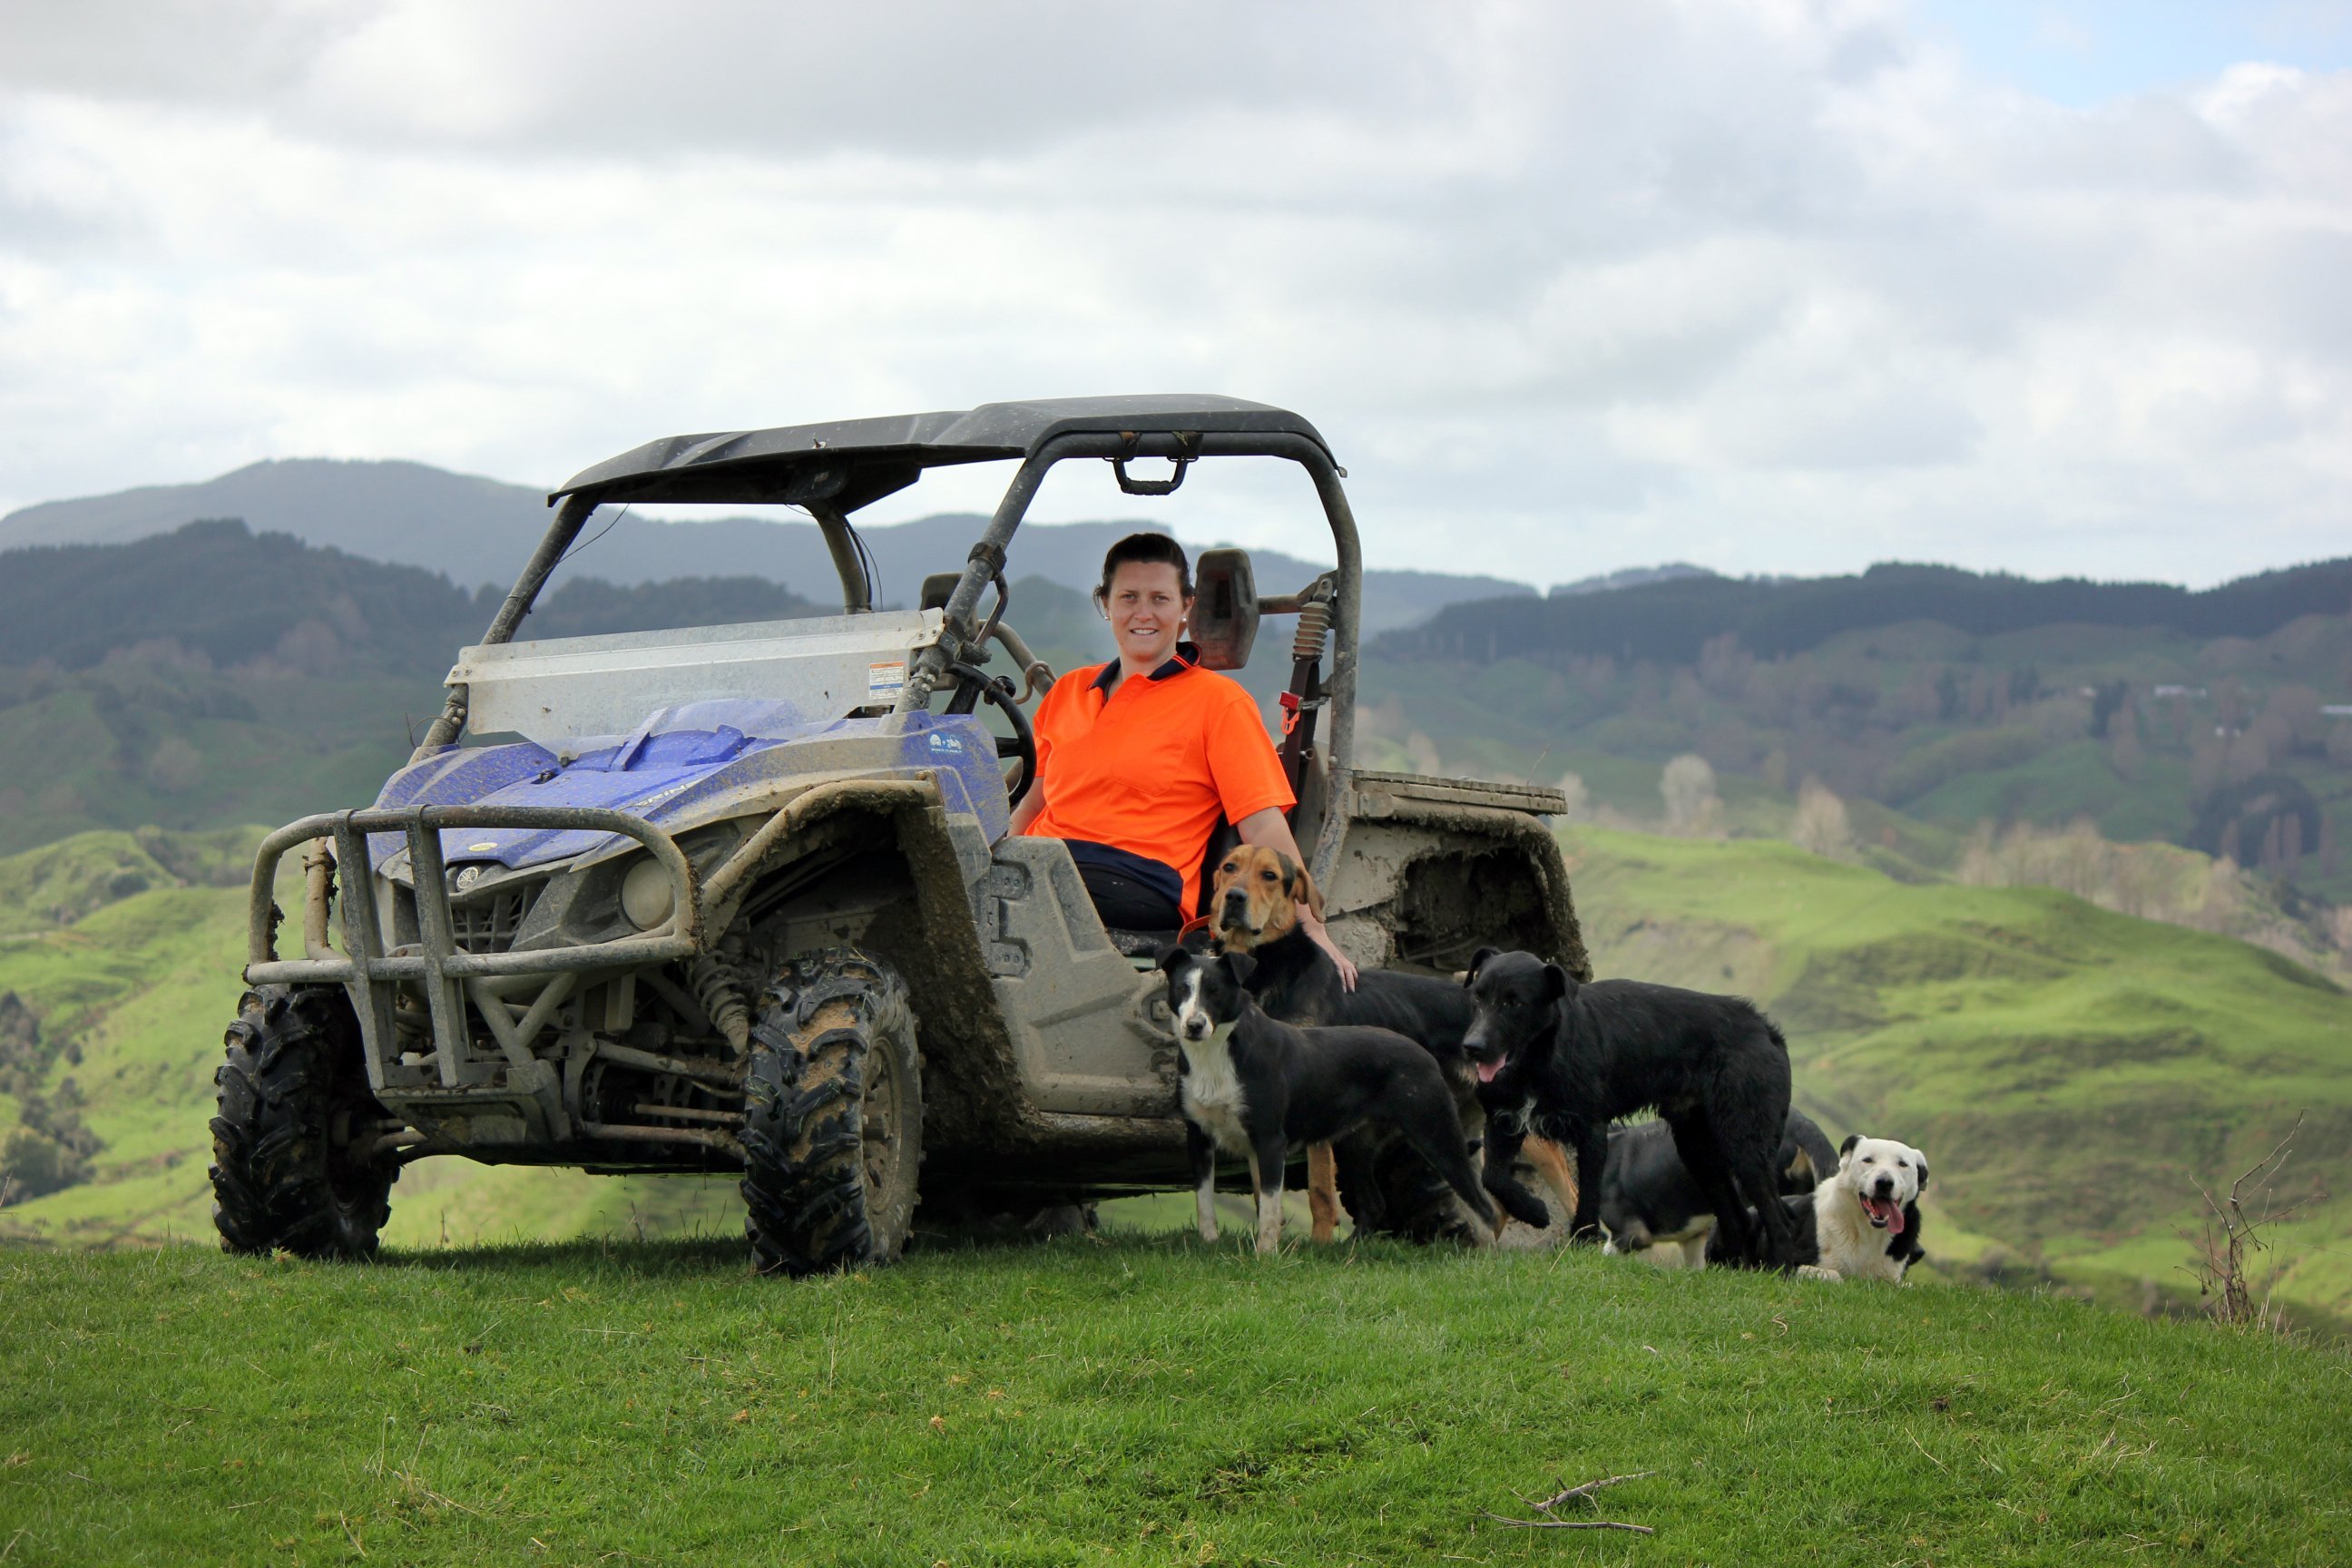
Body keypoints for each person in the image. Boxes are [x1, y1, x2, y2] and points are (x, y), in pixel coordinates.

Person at [1007, 532, 1357, 985]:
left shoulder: (1218, 702)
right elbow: (1034, 804)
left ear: (1186, 608)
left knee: (1018, 888)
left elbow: (1264, 826)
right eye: (1128, 597)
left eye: (1160, 598)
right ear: (1105, 604)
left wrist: (1312, 929)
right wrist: (990, 855)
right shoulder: (1069, 692)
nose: (1144, 613)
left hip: (1138, 879)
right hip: (1046, 859)